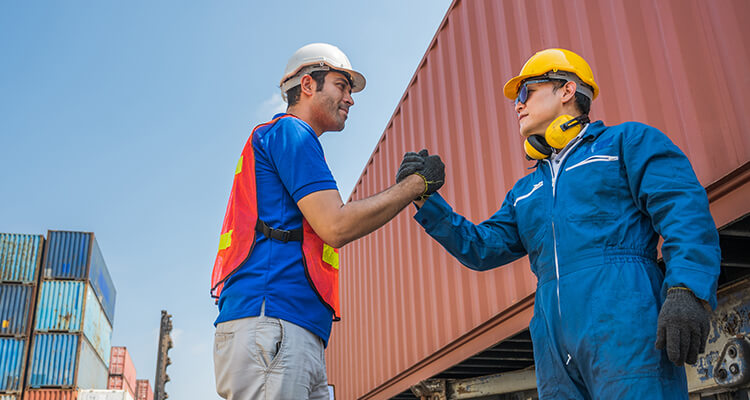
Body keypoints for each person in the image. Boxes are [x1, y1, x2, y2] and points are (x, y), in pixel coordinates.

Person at [399, 48, 720, 399]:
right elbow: (481, 248)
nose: (517, 106)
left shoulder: (625, 144)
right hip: (553, 340)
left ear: (567, 90)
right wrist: (425, 199)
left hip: (625, 321)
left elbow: (682, 210)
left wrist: (687, 290)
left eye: (526, 93)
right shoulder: (526, 191)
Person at [210, 43, 444, 400]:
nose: (350, 99)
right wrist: (414, 185)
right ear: (307, 85)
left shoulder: (284, 139)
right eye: (341, 85)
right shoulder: (292, 134)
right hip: (273, 318)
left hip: (284, 325)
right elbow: (336, 226)